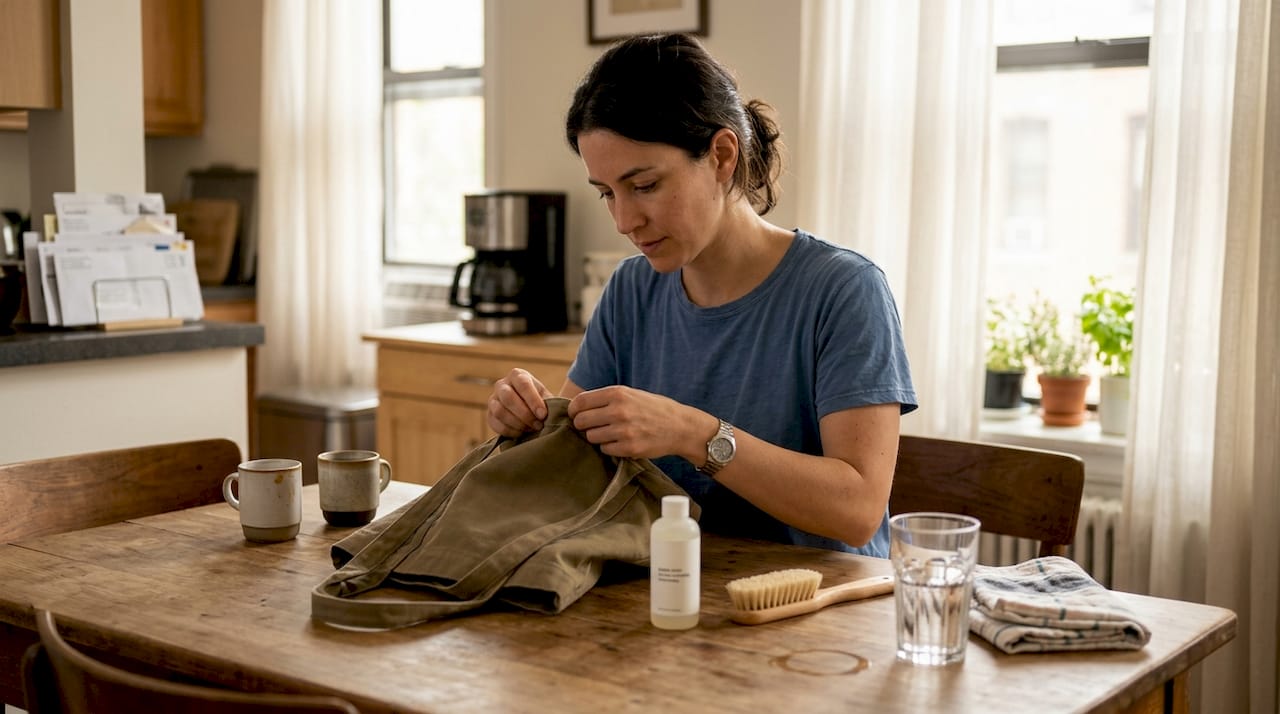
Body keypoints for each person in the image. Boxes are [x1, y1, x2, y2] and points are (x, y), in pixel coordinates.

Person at [486, 33, 916, 557]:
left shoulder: (844, 290)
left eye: (643, 185)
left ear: (721, 154)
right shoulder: (630, 289)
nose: (624, 220)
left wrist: (692, 433)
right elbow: (569, 463)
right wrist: (529, 423)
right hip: (669, 592)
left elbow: (857, 510)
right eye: (607, 194)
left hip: (820, 609)